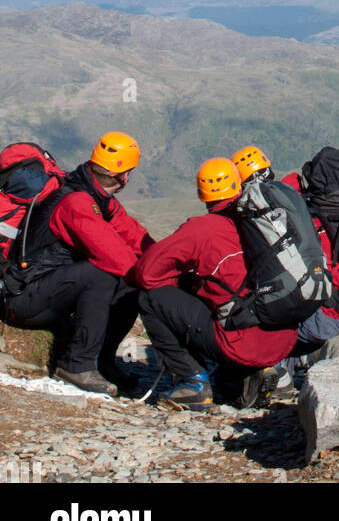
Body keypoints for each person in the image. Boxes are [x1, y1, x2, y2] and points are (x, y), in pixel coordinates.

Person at [135, 158, 299, 410]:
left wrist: (179, 279)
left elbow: (146, 273)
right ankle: (259, 371)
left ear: (202, 193)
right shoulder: (263, 221)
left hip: (242, 343)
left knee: (151, 299)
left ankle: (192, 383)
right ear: (238, 186)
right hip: (284, 340)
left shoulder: (202, 230)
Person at [2, 132, 151, 395]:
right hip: (22, 299)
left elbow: (136, 237)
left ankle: (101, 362)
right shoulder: (77, 202)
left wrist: (169, 263)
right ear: (124, 175)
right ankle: (76, 366)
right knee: (103, 273)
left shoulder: (97, 197)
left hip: (47, 291)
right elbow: (118, 258)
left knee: (129, 286)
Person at [231, 145, 339, 381]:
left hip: (315, 317)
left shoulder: (259, 217)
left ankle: (284, 366)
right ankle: (306, 358)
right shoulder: (297, 200)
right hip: (335, 308)